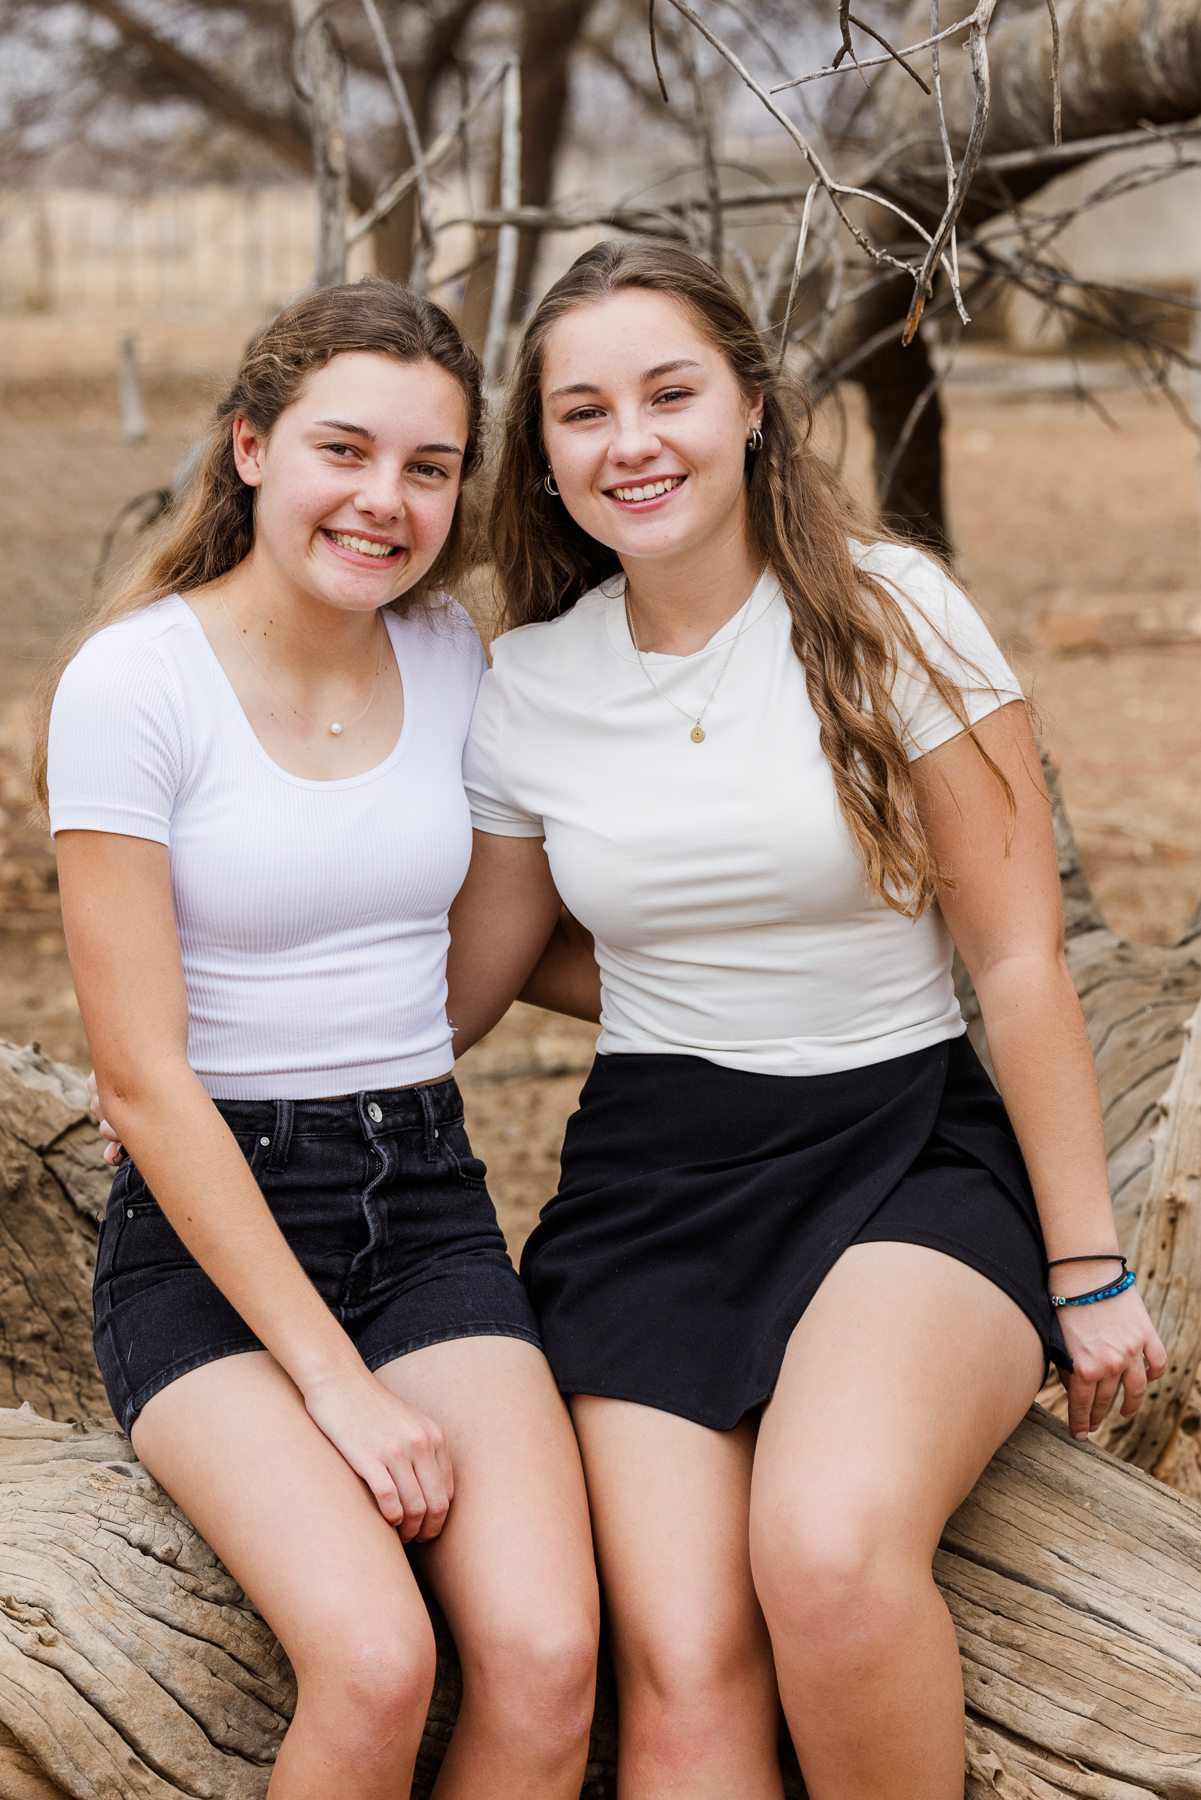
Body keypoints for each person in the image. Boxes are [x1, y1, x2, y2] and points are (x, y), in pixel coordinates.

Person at [443, 241, 1167, 1800]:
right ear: (543, 453)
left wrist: (1087, 1262)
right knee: (685, 1671)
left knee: (826, 1558)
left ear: (754, 406)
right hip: (653, 1185)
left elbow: (1019, 956)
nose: (628, 440)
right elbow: (471, 981)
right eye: (581, 411)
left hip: (905, 1147)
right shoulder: (523, 688)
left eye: (668, 392)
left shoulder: (889, 610)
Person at [33, 279, 599, 1800]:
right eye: (343, 450)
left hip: (425, 1207)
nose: (384, 500)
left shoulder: (448, 658)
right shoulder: (134, 684)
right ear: (249, 449)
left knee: (547, 1664)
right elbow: (144, 1081)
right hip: (208, 1234)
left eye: (428, 467)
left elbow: (501, 943)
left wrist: (784, 982)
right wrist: (340, 1390)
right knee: (375, 1660)